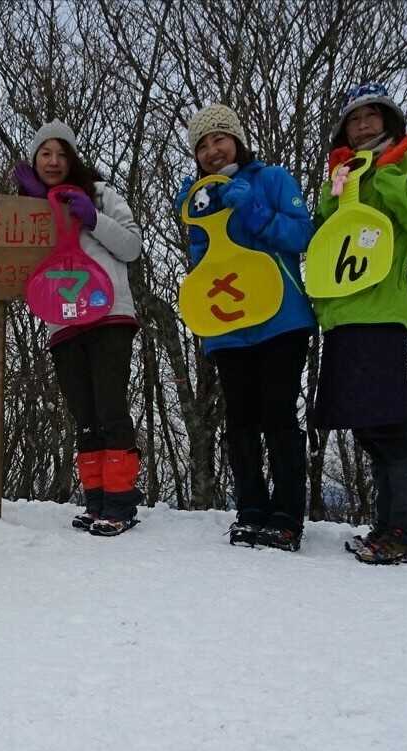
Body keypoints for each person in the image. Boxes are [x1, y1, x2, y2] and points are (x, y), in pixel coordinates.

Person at [312, 83, 407, 564]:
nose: (363, 124)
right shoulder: (342, 170)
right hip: (341, 317)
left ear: (389, 121)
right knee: (368, 429)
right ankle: (387, 526)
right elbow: (328, 236)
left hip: (381, 313)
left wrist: (388, 173)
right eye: (354, 119)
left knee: (389, 426)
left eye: (372, 115)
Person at [175, 104, 315, 551]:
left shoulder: (272, 179)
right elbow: (201, 260)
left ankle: (287, 515)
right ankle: (251, 508)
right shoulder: (199, 195)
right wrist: (197, 218)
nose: (212, 151)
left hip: (280, 317)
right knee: (239, 420)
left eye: (219, 138)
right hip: (227, 323)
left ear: (236, 139)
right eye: (202, 145)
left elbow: (303, 235)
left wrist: (253, 210)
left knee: (278, 414)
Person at [14, 120, 143, 536]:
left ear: (73, 160)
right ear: (34, 160)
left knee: (110, 407)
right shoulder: (28, 209)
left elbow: (132, 246)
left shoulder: (100, 193)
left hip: (109, 312)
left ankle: (120, 502)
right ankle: (96, 500)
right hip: (63, 318)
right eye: (45, 154)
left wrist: (92, 218)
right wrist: (39, 208)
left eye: (62, 154)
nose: (53, 161)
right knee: (83, 414)